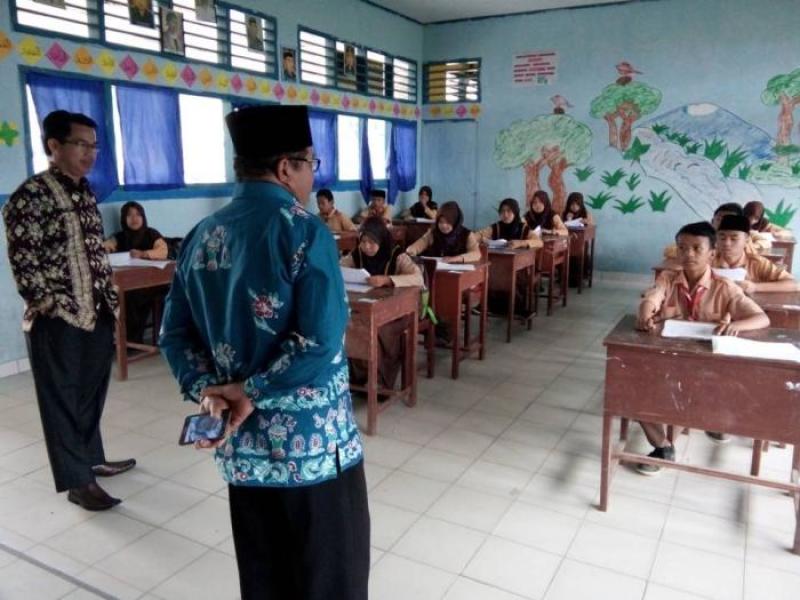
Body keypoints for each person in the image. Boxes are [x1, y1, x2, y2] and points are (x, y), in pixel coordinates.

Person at [159, 105, 369, 599]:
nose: (313, 174)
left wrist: (209, 394)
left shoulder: (200, 236)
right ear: (285, 168)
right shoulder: (303, 230)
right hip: (315, 456)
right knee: (329, 581)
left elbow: (174, 335)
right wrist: (250, 390)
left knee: (264, 579)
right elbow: (320, 340)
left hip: (243, 453)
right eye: (311, 163)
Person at [2, 110, 136, 511]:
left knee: (91, 391)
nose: (89, 153)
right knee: (61, 398)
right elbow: (24, 259)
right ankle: (78, 482)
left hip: (96, 309)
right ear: (53, 146)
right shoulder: (32, 195)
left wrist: (107, 300)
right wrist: (49, 304)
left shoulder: (85, 191)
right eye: (80, 144)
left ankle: (91, 458)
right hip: (58, 317)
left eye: (94, 145)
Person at [636, 221, 770, 474]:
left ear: (712, 253)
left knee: (700, 397)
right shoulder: (668, 278)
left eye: (697, 248)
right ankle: (663, 446)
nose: (688, 254)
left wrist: (737, 327)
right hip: (670, 359)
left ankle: (705, 423)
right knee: (633, 388)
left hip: (710, 366)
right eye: (682, 248)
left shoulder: (725, 287)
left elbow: (762, 318)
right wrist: (646, 311)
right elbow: (652, 296)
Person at [340, 217, 423, 389]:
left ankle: (380, 380)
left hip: (398, 311)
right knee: (349, 324)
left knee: (379, 330)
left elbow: (418, 277)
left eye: (372, 242)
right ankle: (358, 377)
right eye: (363, 241)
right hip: (370, 307)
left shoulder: (397, 255)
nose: (367, 247)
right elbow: (339, 268)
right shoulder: (358, 254)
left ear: (382, 240)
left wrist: (387, 279)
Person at [104, 201, 169, 343]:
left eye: (138, 215)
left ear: (143, 217)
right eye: (129, 215)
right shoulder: (120, 237)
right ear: (123, 219)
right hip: (128, 283)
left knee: (134, 296)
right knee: (119, 295)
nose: (134, 219)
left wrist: (143, 253)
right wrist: (106, 249)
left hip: (152, 283)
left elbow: (163, 251)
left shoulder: (152, 234)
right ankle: (125, 340)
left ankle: (133, 341)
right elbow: (106, 246)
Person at [714, 215, 798, 294]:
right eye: (722, 238)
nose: (727, 243)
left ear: (746, 240)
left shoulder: (757, 262)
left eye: (734, 239)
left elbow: (794, 285)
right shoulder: (708, 259)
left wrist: (755, 287)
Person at [664, 203, 770, 259]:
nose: (723, 223)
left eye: (729, 219)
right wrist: (706, 250)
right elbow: (669, 250)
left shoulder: (744, 235)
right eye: (719, 218)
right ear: (713, 219)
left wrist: (743, 246)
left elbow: (765, 242)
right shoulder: (703, 233)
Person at [405, 200, 481, 263]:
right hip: (436, 272)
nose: (444, 226)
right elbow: (417, 245)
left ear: (455, 222)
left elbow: (476, 254)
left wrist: (456, 258)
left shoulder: (467, 235)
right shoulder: (433, 233)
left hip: (459, 274)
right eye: (441, 222)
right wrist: (410, 252)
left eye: (448, 222)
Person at [476, 198, 543, 250]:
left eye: (509, 211)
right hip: (498, 259)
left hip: (519, 262)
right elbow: (477, 236)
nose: (505, 215)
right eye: (502, 211)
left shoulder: (523, 228)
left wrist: (521, 243)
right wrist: (482, 241)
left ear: (515, 213)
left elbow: (539, 242)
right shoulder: (496, 227)